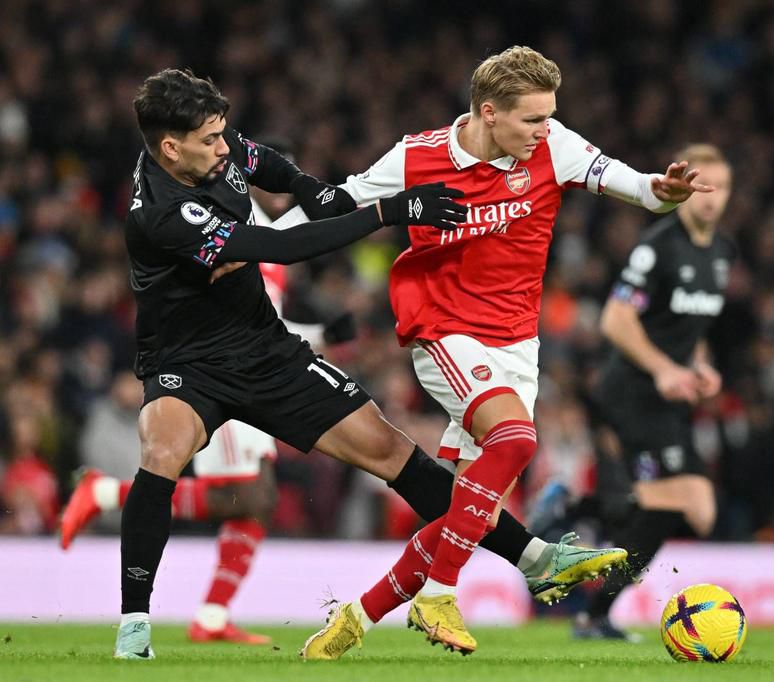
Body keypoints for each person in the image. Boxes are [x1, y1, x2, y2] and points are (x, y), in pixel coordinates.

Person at [110, 68, 616, 661]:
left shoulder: (211, 148)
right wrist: (388, 211)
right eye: (210, 140)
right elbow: (281, 247)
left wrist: (306, 186)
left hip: (267, 350)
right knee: (162, 452)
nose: (225, 147)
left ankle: (533, 558)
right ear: (171, 149)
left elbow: (260, 160)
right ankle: (134, 625)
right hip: (187, 362)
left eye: (223, 133)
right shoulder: (161, 215)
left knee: (392, 451)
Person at [297, 46, 712, 658]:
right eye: (533, 119)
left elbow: (641, 190)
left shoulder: (554, 146)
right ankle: (441, 595)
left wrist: (664, 190)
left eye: (550, 117)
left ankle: (356, 619)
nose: (545, 130)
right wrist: (247, 243)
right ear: (489, 112)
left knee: (472, 513)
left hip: (517, 344)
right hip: (444, 330)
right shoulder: (418, 157)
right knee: (515, 440)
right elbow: (339, 201)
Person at [60, 138, 358, 645]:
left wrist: (322, 335)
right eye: (280, 175)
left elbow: (266, 322)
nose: (286, 187)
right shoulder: (236, 223)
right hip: (226, 371)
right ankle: (106, 493)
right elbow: (231, 317)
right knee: (248, 494)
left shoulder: (264, 228)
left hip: (253, 362)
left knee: (258, 498)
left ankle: (214, 616)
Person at [572, 143, 734, 640]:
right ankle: (579, 516)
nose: (712, 197)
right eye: (703, 187)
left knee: (684, 510)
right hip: (631, 390)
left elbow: (691, 328)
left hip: (667, 397)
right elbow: (615, 319)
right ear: (685, 188)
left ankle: (592, 593)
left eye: (723, 187)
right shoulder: (657, 246)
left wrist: (701, 366)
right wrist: (664, 369)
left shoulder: (721, 252)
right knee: (687, 503)